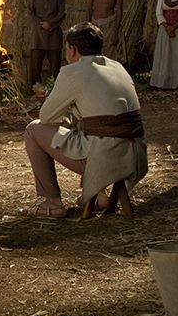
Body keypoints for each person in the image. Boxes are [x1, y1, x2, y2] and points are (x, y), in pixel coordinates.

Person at [21, 23, 147, 218]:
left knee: (33, 130)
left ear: (72, 49)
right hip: (135, 156)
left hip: (104, 157)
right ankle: (100, 194)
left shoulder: (73, 72)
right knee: (87, 123)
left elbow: (46, 117)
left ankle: (52, 202)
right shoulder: (117, 66)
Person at [27, 0, 66, 89]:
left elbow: (62, 13)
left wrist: (51, 24)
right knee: (35, 67)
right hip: (37, 37)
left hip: (53, 36)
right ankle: (35, 92)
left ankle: (54, 91)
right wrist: (41, 24)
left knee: (55, 68)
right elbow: (30, 12)